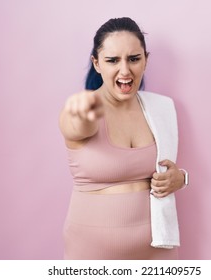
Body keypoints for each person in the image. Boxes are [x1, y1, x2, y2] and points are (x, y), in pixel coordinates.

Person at [59, 17, 187, 260]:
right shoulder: (83, 109)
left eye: (134, 59)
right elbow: (76, 127)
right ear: (96, 63)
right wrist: (84, 113)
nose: (125, 70)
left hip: (158, 249)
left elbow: (167, 170)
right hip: (91, 252)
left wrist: (180, 178)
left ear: (146, 60)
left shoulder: (161, 109)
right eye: (112, 60)